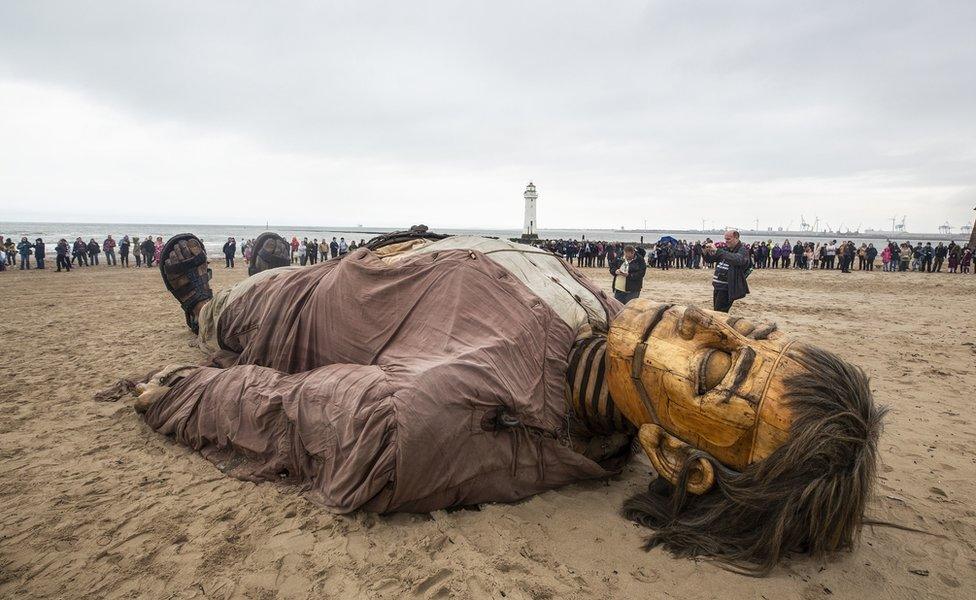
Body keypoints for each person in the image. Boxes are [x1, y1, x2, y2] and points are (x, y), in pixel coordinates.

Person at [128, 228, 883, 576]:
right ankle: (275, 267)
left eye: (713, 368)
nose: (699, 320)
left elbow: (324, 420)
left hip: (296, 315)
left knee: (223, 316)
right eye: (743, 327)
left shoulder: (488, 407)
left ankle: (204, 301)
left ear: (676, 457)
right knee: (276, 279)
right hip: (375, 264)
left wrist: (187, 392)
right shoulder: (609, 324)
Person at [703, 230, 751, 313]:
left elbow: (738, 259)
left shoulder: (742, 250)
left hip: (727, 287)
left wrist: (718, 251)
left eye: (728, 239)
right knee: (717, 310)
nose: (726, 241)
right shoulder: (726, 249)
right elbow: (710, 260)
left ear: (736, 238)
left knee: (719, 312)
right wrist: (705, 252)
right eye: (725, 239)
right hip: (718, 285)